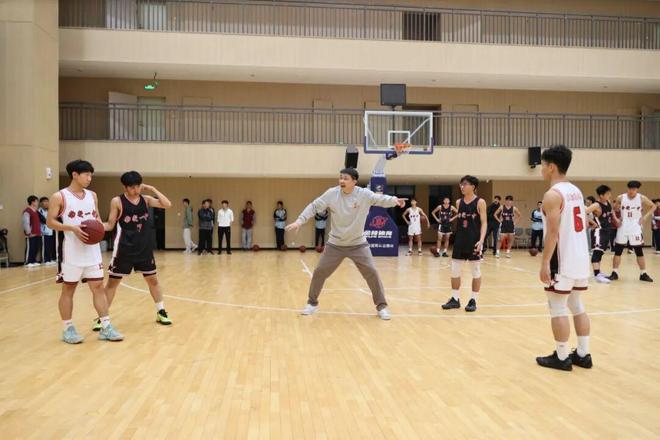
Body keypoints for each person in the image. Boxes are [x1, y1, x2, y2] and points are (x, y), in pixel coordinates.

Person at [285, 168, 406, 320]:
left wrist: (394, 200)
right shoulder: (332, 193)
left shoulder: (364, 194)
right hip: (335, 244)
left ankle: (382, 307)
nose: (342, 181)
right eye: (340, 178)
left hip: (358, 244)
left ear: (354, 181)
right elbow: (314, 206)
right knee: (320, 271)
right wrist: (299, 221)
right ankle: (312, 303)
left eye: (345, 178)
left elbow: (380, 199)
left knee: (372, 273)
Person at [46, 159, 123, 344]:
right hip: (70, 251)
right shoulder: (59, 196)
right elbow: (50, 222)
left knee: (98, 288)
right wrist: (72, 228)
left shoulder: (92, 195)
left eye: (91, 175)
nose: (89, 178)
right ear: (75, 174)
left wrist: (105, 226)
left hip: (92, 251)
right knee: (68, 289)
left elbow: (96, 220)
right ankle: (68, 329)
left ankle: (106, 326)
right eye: (87, 175)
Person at [536, 145, 592, 371]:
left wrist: (544, 263)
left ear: (551, 167)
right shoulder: (576, 191)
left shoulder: (552, 195)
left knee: (557, 307)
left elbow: (553, 232)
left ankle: (561, 357)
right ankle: (583, 354)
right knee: (577, 305)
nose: (541, 169)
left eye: (542, 165)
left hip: (562, 258)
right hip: (580, 257)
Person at [103, 171, 173, 329]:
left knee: (153, 280)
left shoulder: (146, 200)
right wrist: (93, 227)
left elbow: (167, 204)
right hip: (124, 248)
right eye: (132, 187)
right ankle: (102, 316)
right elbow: (110, 224)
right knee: (112, 283)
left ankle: (161, 311)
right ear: (125, 187)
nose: (136, 190)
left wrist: (153, 189)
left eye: (138, 186)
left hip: (144, 248)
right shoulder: (117, 201)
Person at [441, 175, 487, 313]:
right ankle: (455, 299)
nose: (462, 186)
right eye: (461, 184)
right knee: (455, 271)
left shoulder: (480, 202)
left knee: (475, 271)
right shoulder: (458, 202)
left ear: (473, 186)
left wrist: (481, 240)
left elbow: (484, 222)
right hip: (460, 241)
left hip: (474, 241)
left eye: (465, 184)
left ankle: (473, 300)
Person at [608, 181, 655, 282]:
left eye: (633, 189)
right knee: (618, 250)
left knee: (639, 251)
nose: (631, 191)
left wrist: (645, 217)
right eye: (630, 189)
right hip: (623, 226)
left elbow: (653, 206)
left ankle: (643, 273)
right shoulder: (621, 197)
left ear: (637, 189)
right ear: (627, 188)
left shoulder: (641, 198)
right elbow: (612, 209)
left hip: (635, 226)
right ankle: (614, 272)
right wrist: (616, 219)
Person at [586, 185, 615, 283]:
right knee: (597, 252)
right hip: (598, 231)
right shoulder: (596, 205)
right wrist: (592, 222)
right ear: (601, 195)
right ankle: (596, 274)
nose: (610, 195)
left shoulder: (608, 202)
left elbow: (610, 213)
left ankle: (598, 272)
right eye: (607, 194)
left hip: (606, 230)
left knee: (601, 252)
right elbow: (583, 212)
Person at [23, 195, 42, 267]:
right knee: (30, 247)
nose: (38, 203)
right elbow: (26, 222)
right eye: (37, 201)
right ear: (33, 202)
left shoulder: (36, 211)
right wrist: (28, 232)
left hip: (37, 233)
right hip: (31, 234)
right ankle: (28, 262)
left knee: (35, 247)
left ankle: (33, 261)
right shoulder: (27, 211)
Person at [38, 197, 57, 265]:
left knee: (50, 246)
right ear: (41, 203)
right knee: (45, 246)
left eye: (47, 201)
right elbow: (43, 221)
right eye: (45, 201)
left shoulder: (48, 211)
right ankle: (45, 260)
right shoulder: (39, 211)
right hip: (44, 232)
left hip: (50, 231)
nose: (46, 203)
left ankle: (49, 259)